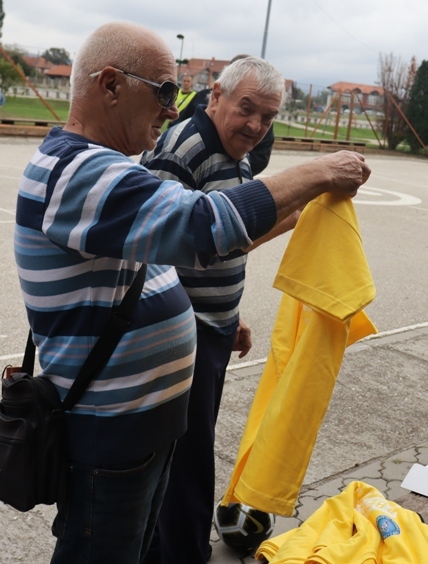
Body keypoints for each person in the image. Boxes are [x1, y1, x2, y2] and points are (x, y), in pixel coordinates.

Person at [14, 21, 369, 564]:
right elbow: (202, 224)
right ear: (110, 85)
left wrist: (206, 312)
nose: (173, 109)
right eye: (163, 91)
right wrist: (318, 172)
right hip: (112, 433)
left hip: (138, 426)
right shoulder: (76, 171)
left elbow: (155, 259)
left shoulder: (104, 166)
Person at [139, 56, 290, 564]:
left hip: (212, 327)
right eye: (247, 108)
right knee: (189, 458)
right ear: (217, 95)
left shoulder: (236, 154)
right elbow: (151, 244)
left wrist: (232, 315)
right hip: (182, 332)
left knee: (180, 452)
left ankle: (159, 551)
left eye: (267, 117)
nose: (255, 125)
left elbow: (223, 241)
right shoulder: (186, 146)